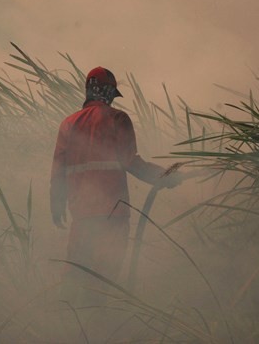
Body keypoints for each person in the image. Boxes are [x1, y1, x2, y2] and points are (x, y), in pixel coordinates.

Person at [50, 66, 182, 305]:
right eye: (112, 93)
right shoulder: (118, 119)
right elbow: (131, 162)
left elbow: (58, 170)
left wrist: (56, 203)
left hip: (82, 214)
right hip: (114, 214)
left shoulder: (68, 124)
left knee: (75, 274)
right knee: (106, 279)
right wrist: (166, 176)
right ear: (106, 92)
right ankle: (101, 325)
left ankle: (63, 325)